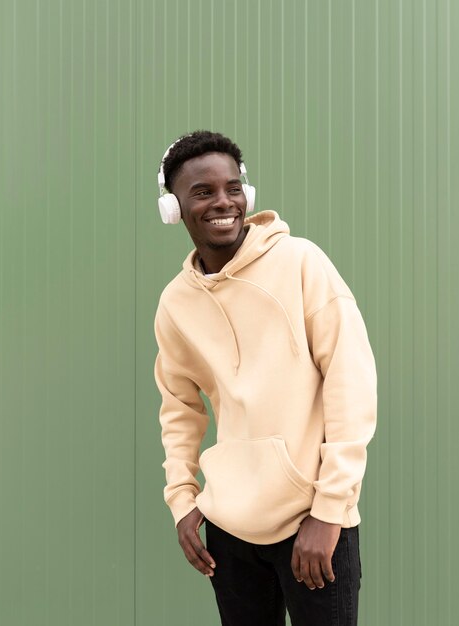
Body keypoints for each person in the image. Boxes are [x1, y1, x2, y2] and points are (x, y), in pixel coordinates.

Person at [154, 130, 377, 626]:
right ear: (173, 207)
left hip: (313, 524)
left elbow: (350, 382)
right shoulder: (175, 304)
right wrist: (182, 500)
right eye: (203, 192)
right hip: (229, 529)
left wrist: (330, 510)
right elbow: (179, 407)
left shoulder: (301, 262)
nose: (224, 202)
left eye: (233, 188)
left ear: (247, 195)